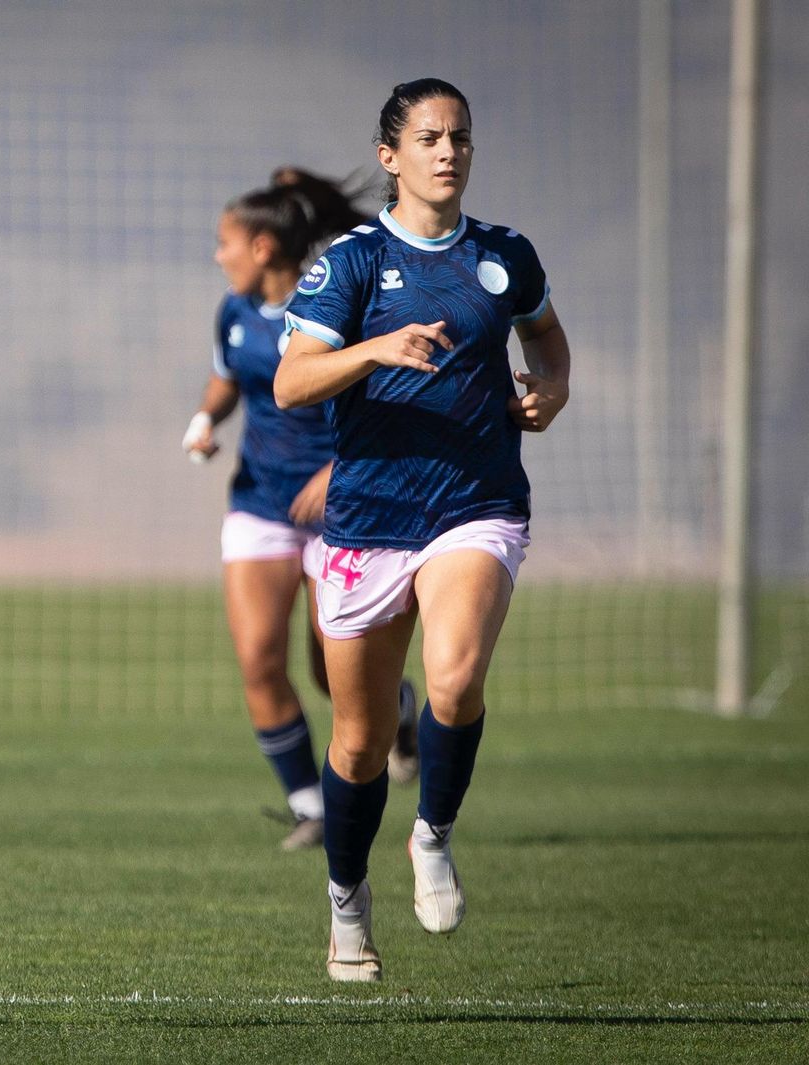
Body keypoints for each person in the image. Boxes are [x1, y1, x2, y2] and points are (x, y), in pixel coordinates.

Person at [274, 79, 571, 981]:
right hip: (369, 518)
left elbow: (548, 342)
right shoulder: (352, 264)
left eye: (462, 137)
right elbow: (292, 383)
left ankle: (433, 834)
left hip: (475, 504)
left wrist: (550, 388)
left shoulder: (505, 255)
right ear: (390, 156)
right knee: (360, 743)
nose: (449, 151)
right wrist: (373, 349)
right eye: (431, 137)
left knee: (454, 676)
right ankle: (346, 901)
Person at [182, 169, 420, 852]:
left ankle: (399, 707)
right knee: (258, 658)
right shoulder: (233, 310)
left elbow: (386, 401)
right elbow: (228, 377)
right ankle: (310, 803)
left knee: (330, 671)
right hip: (258, 500)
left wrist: (337, 470)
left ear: (262, 246)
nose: (217, 256)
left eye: (224, 243)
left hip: (340, 505)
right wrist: (206, 417)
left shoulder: (334, 306)